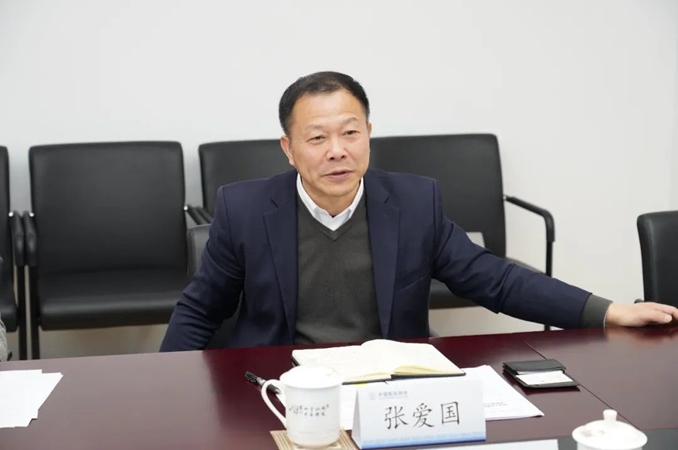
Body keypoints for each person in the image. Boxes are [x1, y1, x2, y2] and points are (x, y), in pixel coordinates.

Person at [160, 71, 678, 351]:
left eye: (350, 132)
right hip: (283, 385)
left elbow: (495, 280)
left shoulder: (413, 203)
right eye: (317, 138)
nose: (337, 151)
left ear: (369, 134)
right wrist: (168, 392)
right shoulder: (245, 209)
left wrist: (607, 311)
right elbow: (200, 310)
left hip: (389, 385)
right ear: (289, 149)